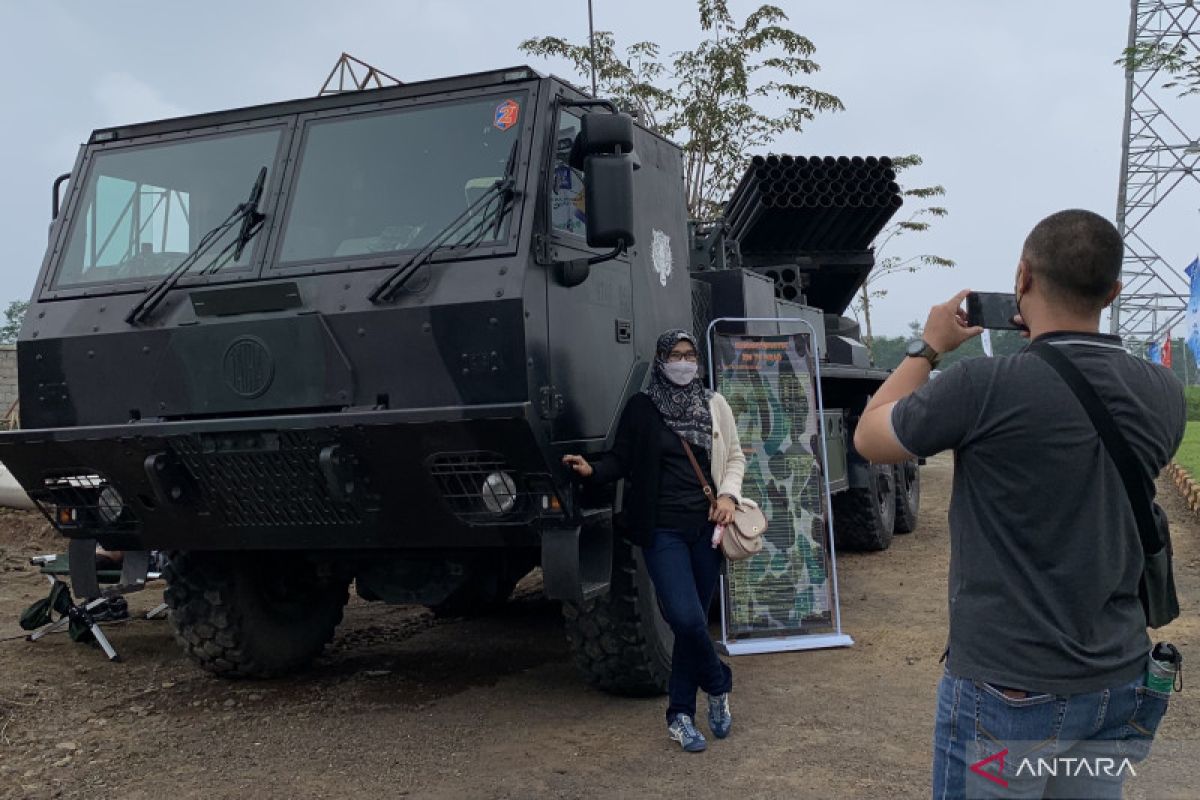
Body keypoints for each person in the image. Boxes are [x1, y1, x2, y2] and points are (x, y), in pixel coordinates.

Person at [853, 209, 1185, 799]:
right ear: (1112, 292)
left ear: (1022, 280)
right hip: (1116, 683)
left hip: (1008, 697)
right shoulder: (1162, 392)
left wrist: (928, 348)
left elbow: (870, 437)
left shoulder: (983, 386)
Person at [562, 329, 745, 753]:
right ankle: (718, 683)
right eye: (675, 355)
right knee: (684, 618)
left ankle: (680, 715)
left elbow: (734, 456)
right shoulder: (643, 408)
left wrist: (728, 495)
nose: (683, 362)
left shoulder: (714, 404)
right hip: (662, 530)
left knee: (692, 623)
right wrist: (592, 470)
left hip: (707, 529)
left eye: (689, 355)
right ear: (661, 360)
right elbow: (622, 460)